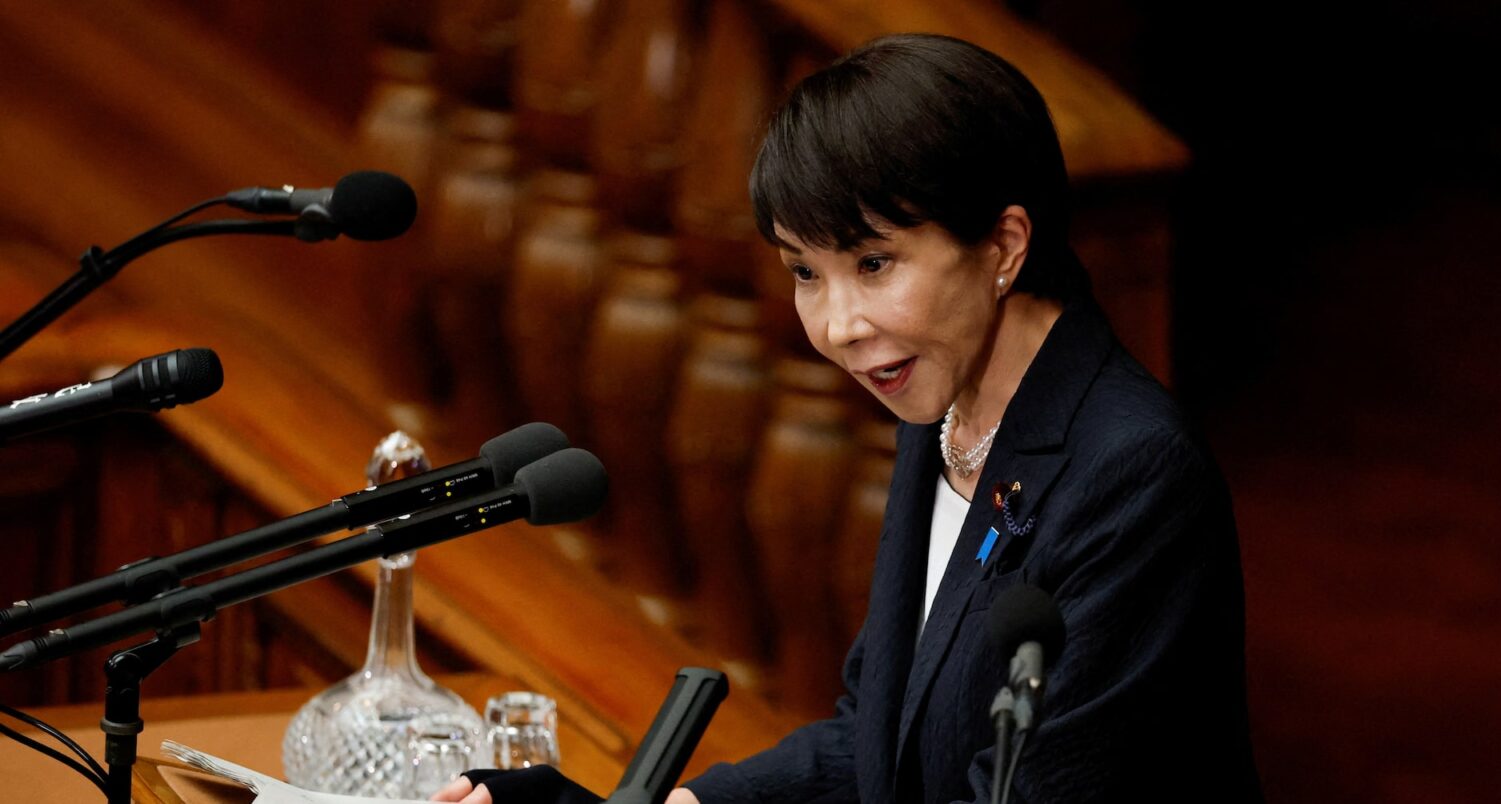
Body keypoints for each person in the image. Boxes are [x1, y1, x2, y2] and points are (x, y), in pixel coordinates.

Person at [435, 33, 1262, 804]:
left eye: (873, 263)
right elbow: (873, 745)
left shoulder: (1133, 473)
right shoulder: (943, 413)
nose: (838, 327)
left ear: (1005, 246)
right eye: (805, 272)